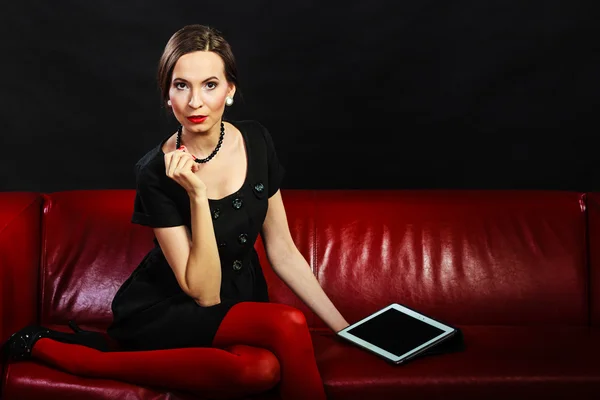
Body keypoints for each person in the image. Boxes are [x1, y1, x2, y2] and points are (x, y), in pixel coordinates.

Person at [1, 24, 349, 399]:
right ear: (168, 95)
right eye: (181, 85)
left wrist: (347, 330)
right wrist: (197, 197)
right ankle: (80, 359)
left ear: (230, 90)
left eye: (210, 85)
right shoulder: (154, 171)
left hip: (241, 298)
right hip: (168, 307)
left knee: (259, 370)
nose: (195, 102)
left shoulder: (256, 140)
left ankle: (91, 361)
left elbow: (282, 251)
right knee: (288, 323)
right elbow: (205, 295)